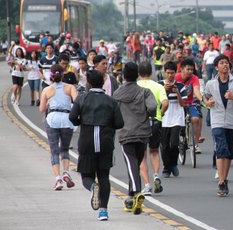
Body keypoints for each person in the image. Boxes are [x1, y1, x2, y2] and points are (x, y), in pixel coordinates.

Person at [69, 70, 124, 221]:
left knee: (87, 175)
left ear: (89, 83)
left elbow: (72, 117)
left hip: (87, 140)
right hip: (106, 141)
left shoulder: (82, 98)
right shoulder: (111, 101)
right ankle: (103, 212)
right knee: (104, 175)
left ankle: (93, 187)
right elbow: (120, 123)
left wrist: (83, 122)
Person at [113, 62, 157, 215]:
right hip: (143, 132)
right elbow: (152, 107)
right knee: (136, 163)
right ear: (137, 75)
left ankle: (137, 192)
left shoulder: (117, 94)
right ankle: (131, 197)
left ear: (123, 76)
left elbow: (113, 112)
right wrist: (147, 114)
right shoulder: (145, 92)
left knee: (131, 164)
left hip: (126, 133)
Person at [204, 55, 233, 196]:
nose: (225, 65)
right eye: (221, 63)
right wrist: (207, 103)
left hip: (232, 122)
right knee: (221, 149)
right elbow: (206, 96)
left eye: (226, 63)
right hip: (217, 121)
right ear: (216, 67)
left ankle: (224, 179)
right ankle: (221, 182)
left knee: (229, 153)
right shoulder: (211, 83)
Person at [39, 64, 78, 190]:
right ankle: (66, 172)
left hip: (52, 119)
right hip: (67, 120)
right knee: (65, 149)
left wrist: (50, 102)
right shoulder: (70, 87)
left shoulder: (47, 90)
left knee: (54, 150)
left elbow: (41, 109)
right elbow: (77, 103)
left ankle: (58, 179)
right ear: (63, 74)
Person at [137, 62, 169, 196]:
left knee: (142, 155)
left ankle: (147, 184)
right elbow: (165, 103)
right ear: (151, 73)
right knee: (154, 151)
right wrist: (160, 114)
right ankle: (156, 175)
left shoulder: (135, 86)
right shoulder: (158, 86)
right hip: (155, 121)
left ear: (139, 73)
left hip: (140, 122)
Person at [158, 62, 187, 178]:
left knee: (174, 143)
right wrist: (165, 91)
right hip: (164, 117)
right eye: (168, 73)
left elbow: (183, 103)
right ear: (164, 73)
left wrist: (177, 93)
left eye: (172, 73)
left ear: (176, 73)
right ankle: (166, 167)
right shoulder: (159, 85)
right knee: (164, 145)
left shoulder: (180, 86)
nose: (170, 75)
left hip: (177, 117)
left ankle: (173, 164)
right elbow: (156, 100)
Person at [174, 59, 205, 150]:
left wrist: (202, 100)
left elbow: (196, 90)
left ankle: (197, 139)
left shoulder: (194, 78)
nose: (190, 71)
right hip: (177, 104)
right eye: (188, 69)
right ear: (182, 69)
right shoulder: (176, 78)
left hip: (190, 103)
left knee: (195, 118)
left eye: (192, 69)